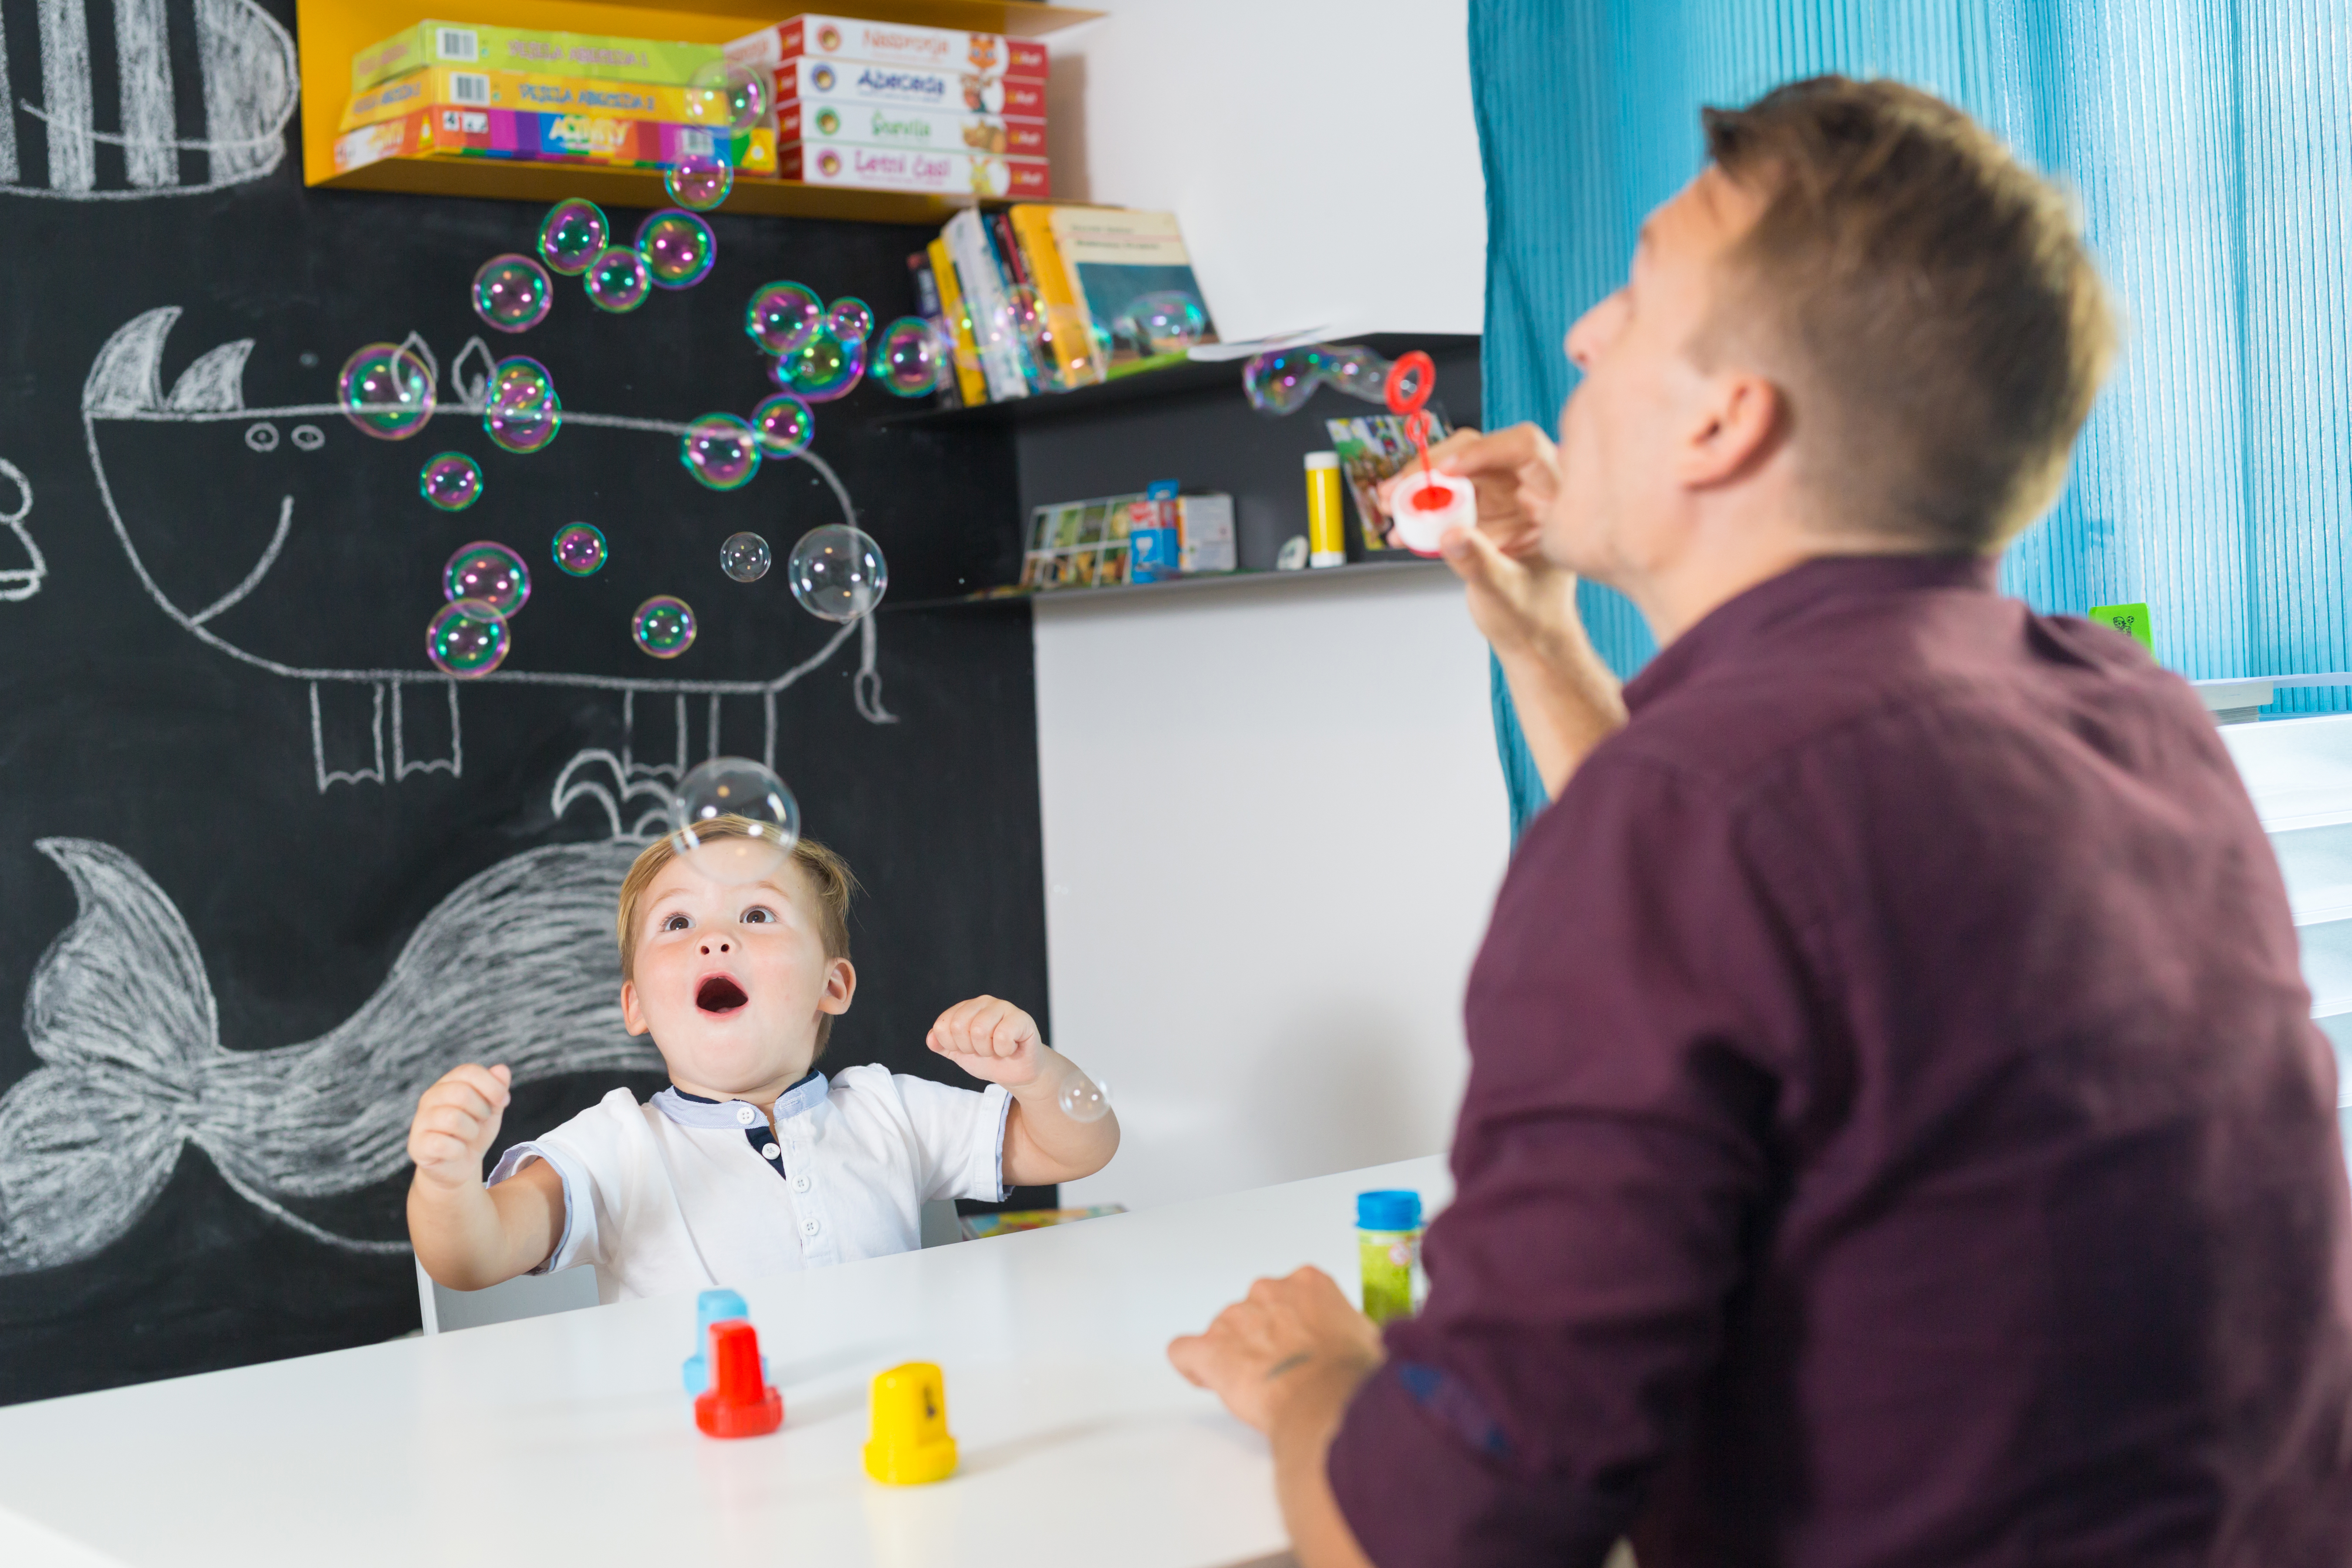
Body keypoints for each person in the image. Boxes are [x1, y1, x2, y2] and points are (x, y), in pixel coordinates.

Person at [1169, 75, 2352, 1567]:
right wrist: (1541, 643)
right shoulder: (2130, 713)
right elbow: (1762, 921)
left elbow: (1454, 1534)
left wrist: (1307, 1385)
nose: (1584, 336)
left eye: (1638, 297)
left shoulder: (1695, 815)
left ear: (1727, 421)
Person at [406, 819, 1118, 1302]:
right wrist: (445, 1183)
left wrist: (1038, 1076)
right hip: (710, 1476)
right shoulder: (616, 1146)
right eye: (678, 923)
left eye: (756, 916)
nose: (715, 940)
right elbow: (473, 1255)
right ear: (637, 1008)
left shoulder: (888, 1112)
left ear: (831, 986)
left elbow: (1080, 1147)